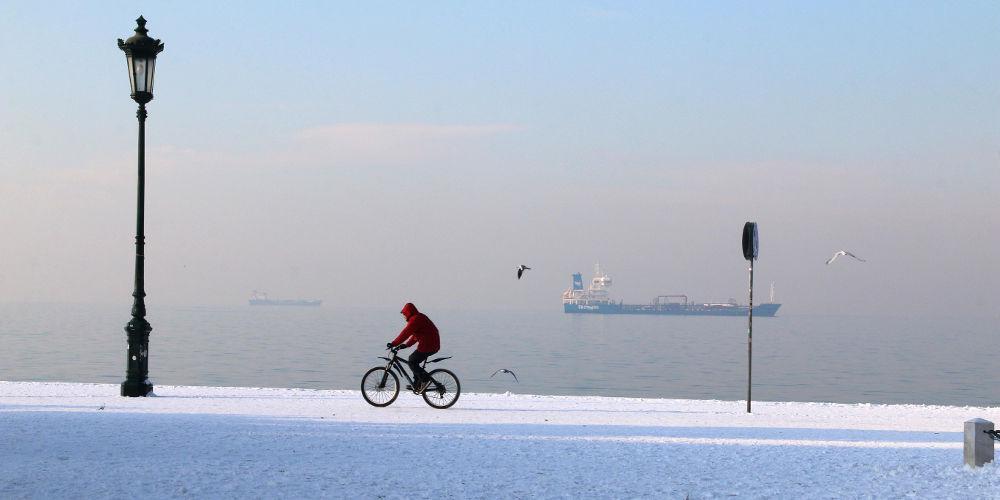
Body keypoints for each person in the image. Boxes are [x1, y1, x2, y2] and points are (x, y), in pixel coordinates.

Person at [387, 302, 440, 393]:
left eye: (404, 314)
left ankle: (425, 380)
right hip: (430, 344)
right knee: (413, 361)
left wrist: (394, 343)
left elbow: (405, 333)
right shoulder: (418, 317)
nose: (403, 316)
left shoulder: (415, 319)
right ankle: (417, 384)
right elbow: (416, 335)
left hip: (429, 345)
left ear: (408, 312)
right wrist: (406, 345)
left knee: (412, 361)